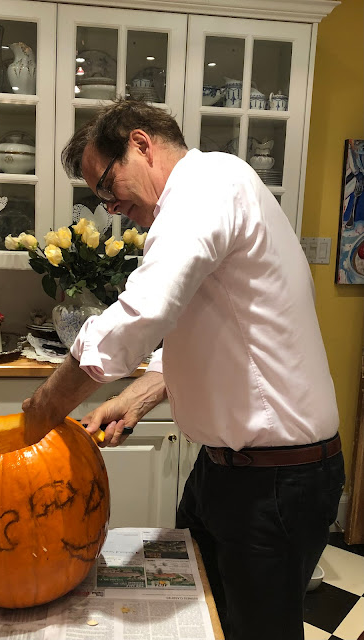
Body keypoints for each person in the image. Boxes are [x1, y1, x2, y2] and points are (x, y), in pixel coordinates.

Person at [22, 99, 344, 640]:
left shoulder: (207, 185)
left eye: (107, 183)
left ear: (141, 144)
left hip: (275, 483)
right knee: (204, 621)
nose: (109, 206)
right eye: (99, 197)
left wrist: (44, 406)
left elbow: (144, 311)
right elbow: (203, 332)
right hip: (225, 471)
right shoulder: (201, 199)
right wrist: (137, 397)